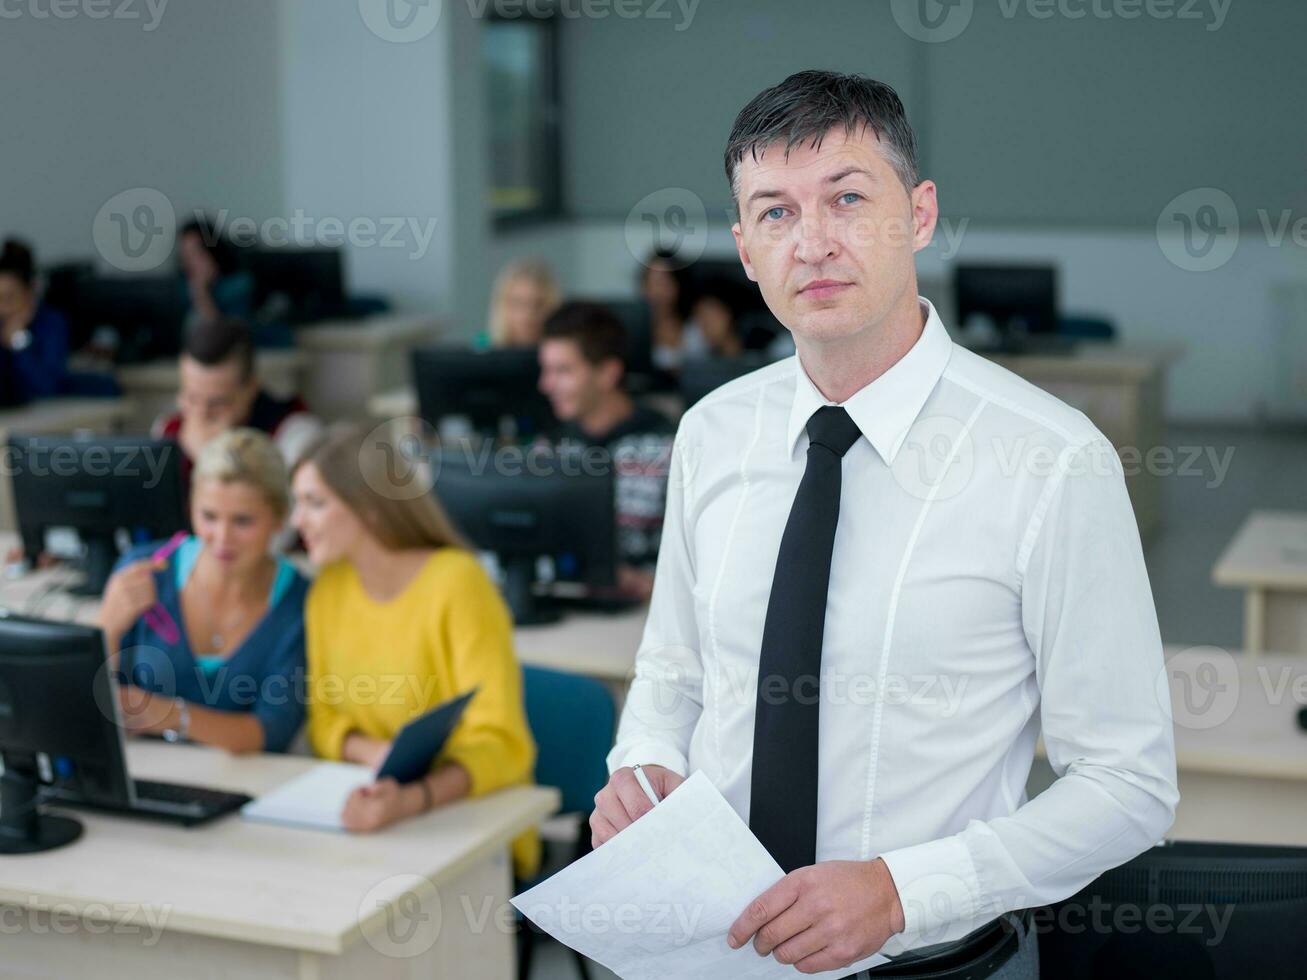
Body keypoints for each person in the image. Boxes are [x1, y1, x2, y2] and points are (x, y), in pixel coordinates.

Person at [590, 71, 1177, 979]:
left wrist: (906, 889)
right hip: (710, 951)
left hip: (935, 965)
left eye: (848, 199)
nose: (813, 242)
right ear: (744, 247)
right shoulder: (711, 432)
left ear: (920, 214)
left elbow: (1127, 787)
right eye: (775, 213)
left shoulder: (1052, 460)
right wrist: (642, 766)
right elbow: (673, 669)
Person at [291, 426, 540, 877]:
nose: (297, 521)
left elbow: (503, 746)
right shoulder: (327, 589)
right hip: (375, 813)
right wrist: (377, 756)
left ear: (368, 508)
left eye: (315, 503)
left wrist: (408, 799)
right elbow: (324, 720)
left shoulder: (457, 584)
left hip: (468, 820)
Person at [101, 428, 309, 754]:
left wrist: (171, 715)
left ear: (279, 519)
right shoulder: (142, 571)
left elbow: (273, 730)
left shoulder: (299, 603)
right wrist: (107, 628)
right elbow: (93, 701)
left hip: (242, 784)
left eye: (242, 521)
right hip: (146, 771)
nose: (222, 538)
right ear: (191, 506)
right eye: (209, 516)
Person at [537, 301, 675, 601]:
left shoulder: (671, 447)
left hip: (645, 612)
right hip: (564, 602)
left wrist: (649, 581)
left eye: (563, 371)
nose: (546, 385)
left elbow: (699, 555)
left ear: (607, 373)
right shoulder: (549, 448)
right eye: (546, 370)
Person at [153, 316, 323, 475]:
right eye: (192, 399)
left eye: (217, 403)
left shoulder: (294, 437)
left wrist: (212, 458)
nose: (201, 413)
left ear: (251, 389)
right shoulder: (167, 431)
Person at [0, 238, 68, 406]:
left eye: (9, 299)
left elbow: (46, 388)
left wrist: (19, 342)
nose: (2, 309)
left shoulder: (51, 324)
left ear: (30, 293)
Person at [177, 215, 255, 333]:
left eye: (194, 254)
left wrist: (201, 293)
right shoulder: (182, 288)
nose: (188, 264)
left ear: (212, 253)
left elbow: (223, 338)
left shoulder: (238, 286)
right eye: (185, 256)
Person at [481, 258, 561, 349]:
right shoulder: (484, 351)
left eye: (538, 305)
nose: (528, 314)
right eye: (518, 303)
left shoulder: (566, 359)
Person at [639, 248, 696, 372]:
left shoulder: (698, 321)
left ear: (678, 285)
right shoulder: (637, 328)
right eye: (653, 282)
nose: (658, 291)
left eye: (665, 282)